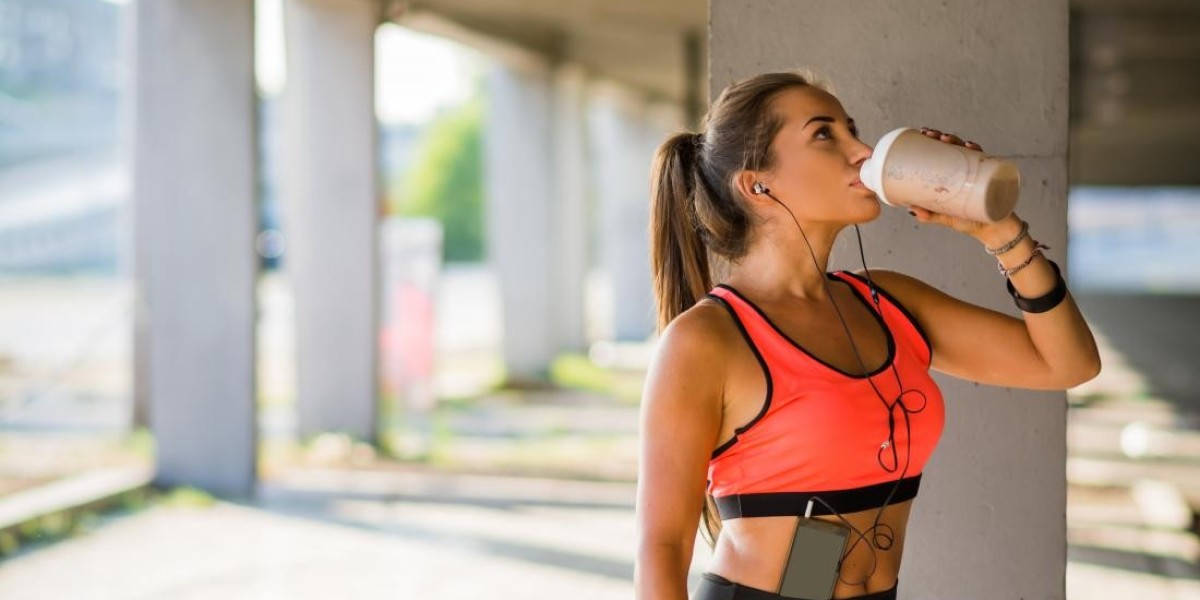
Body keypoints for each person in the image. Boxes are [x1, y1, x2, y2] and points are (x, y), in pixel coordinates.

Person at [634, 70, 1101, 600]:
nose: (862, 151)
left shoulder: (888, 303)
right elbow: (662, 548)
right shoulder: (706, 339)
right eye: (824, 134)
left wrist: (998, 230)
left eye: (852, 129)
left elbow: (1069, 364)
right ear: (758, 183)